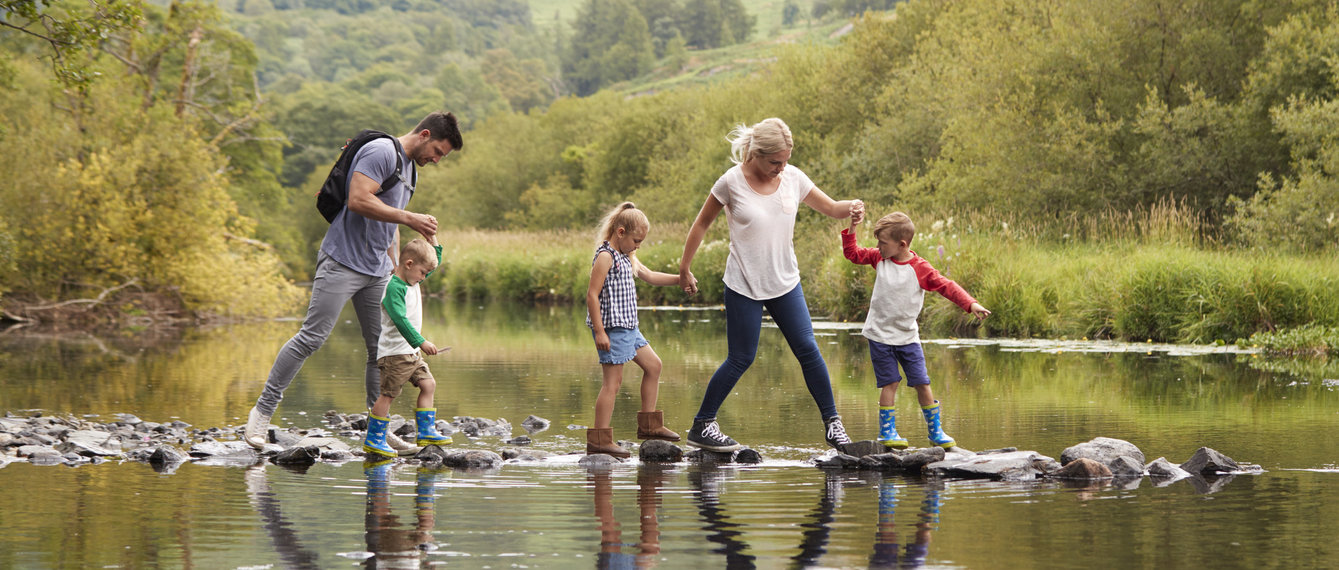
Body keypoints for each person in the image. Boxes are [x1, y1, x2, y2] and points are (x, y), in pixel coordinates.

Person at [244, 111, 463, 453]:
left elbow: (388, 223)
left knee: (381, 350)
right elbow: (359, 200)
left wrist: (393, 266)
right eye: (437, 151)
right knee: (311, 338)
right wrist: (409, 217)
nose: (436, 159)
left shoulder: (410, 172)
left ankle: (378, 431)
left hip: (378, 270)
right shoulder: (381, 152)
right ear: (424, 134)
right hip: (342, 261)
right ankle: (260, 415)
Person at [677, 117, 864, 452]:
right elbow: (701, 224)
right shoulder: (730, 182)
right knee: (741, 357)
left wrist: (851, 207)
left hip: (785, 281)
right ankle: (702, 425)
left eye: (786, 160)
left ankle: (834, 426)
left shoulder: (793, 177)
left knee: (808, 350)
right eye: (775, 162)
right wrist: (684, 267)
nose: (782, 167)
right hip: (743, 284)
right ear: (755, 154)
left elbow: (833, 208)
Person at [841, 210, 990, 449]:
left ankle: (935, 431)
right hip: (879, 336)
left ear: (902, 244)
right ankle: (887, 432)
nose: (878, 246)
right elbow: (852, 253)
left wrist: (970, 303)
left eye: (882, 242)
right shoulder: (879, 258)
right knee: (889, 383)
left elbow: (946, 286)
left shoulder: (920, 268)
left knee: (922, 383)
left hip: (908, 338)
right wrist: (852, 227)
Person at [584, 202, 682, 458]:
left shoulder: (627, 256)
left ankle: (650, 426)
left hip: (630, 328)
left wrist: (680, 279)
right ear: (620, 232)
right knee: (612, 384)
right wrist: (600, 332)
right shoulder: (606, 256)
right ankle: (600, 439)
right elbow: (592, 296)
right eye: (636, 240)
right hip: (613, 329)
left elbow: (649, 275)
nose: (638, 245)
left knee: (654, 366)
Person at [362, 235, 452, 458]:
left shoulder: (414, 279)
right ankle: (374, 438)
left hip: (410, 353)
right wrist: (421, 342)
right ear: (409, 264)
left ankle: (426, 432)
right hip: (395, 354)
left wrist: (433, 240)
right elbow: (400, 319)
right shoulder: (395, 288)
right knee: (388, 394)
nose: (424, 277)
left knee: (428, 384)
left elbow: (432, 262)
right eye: (423, 273)